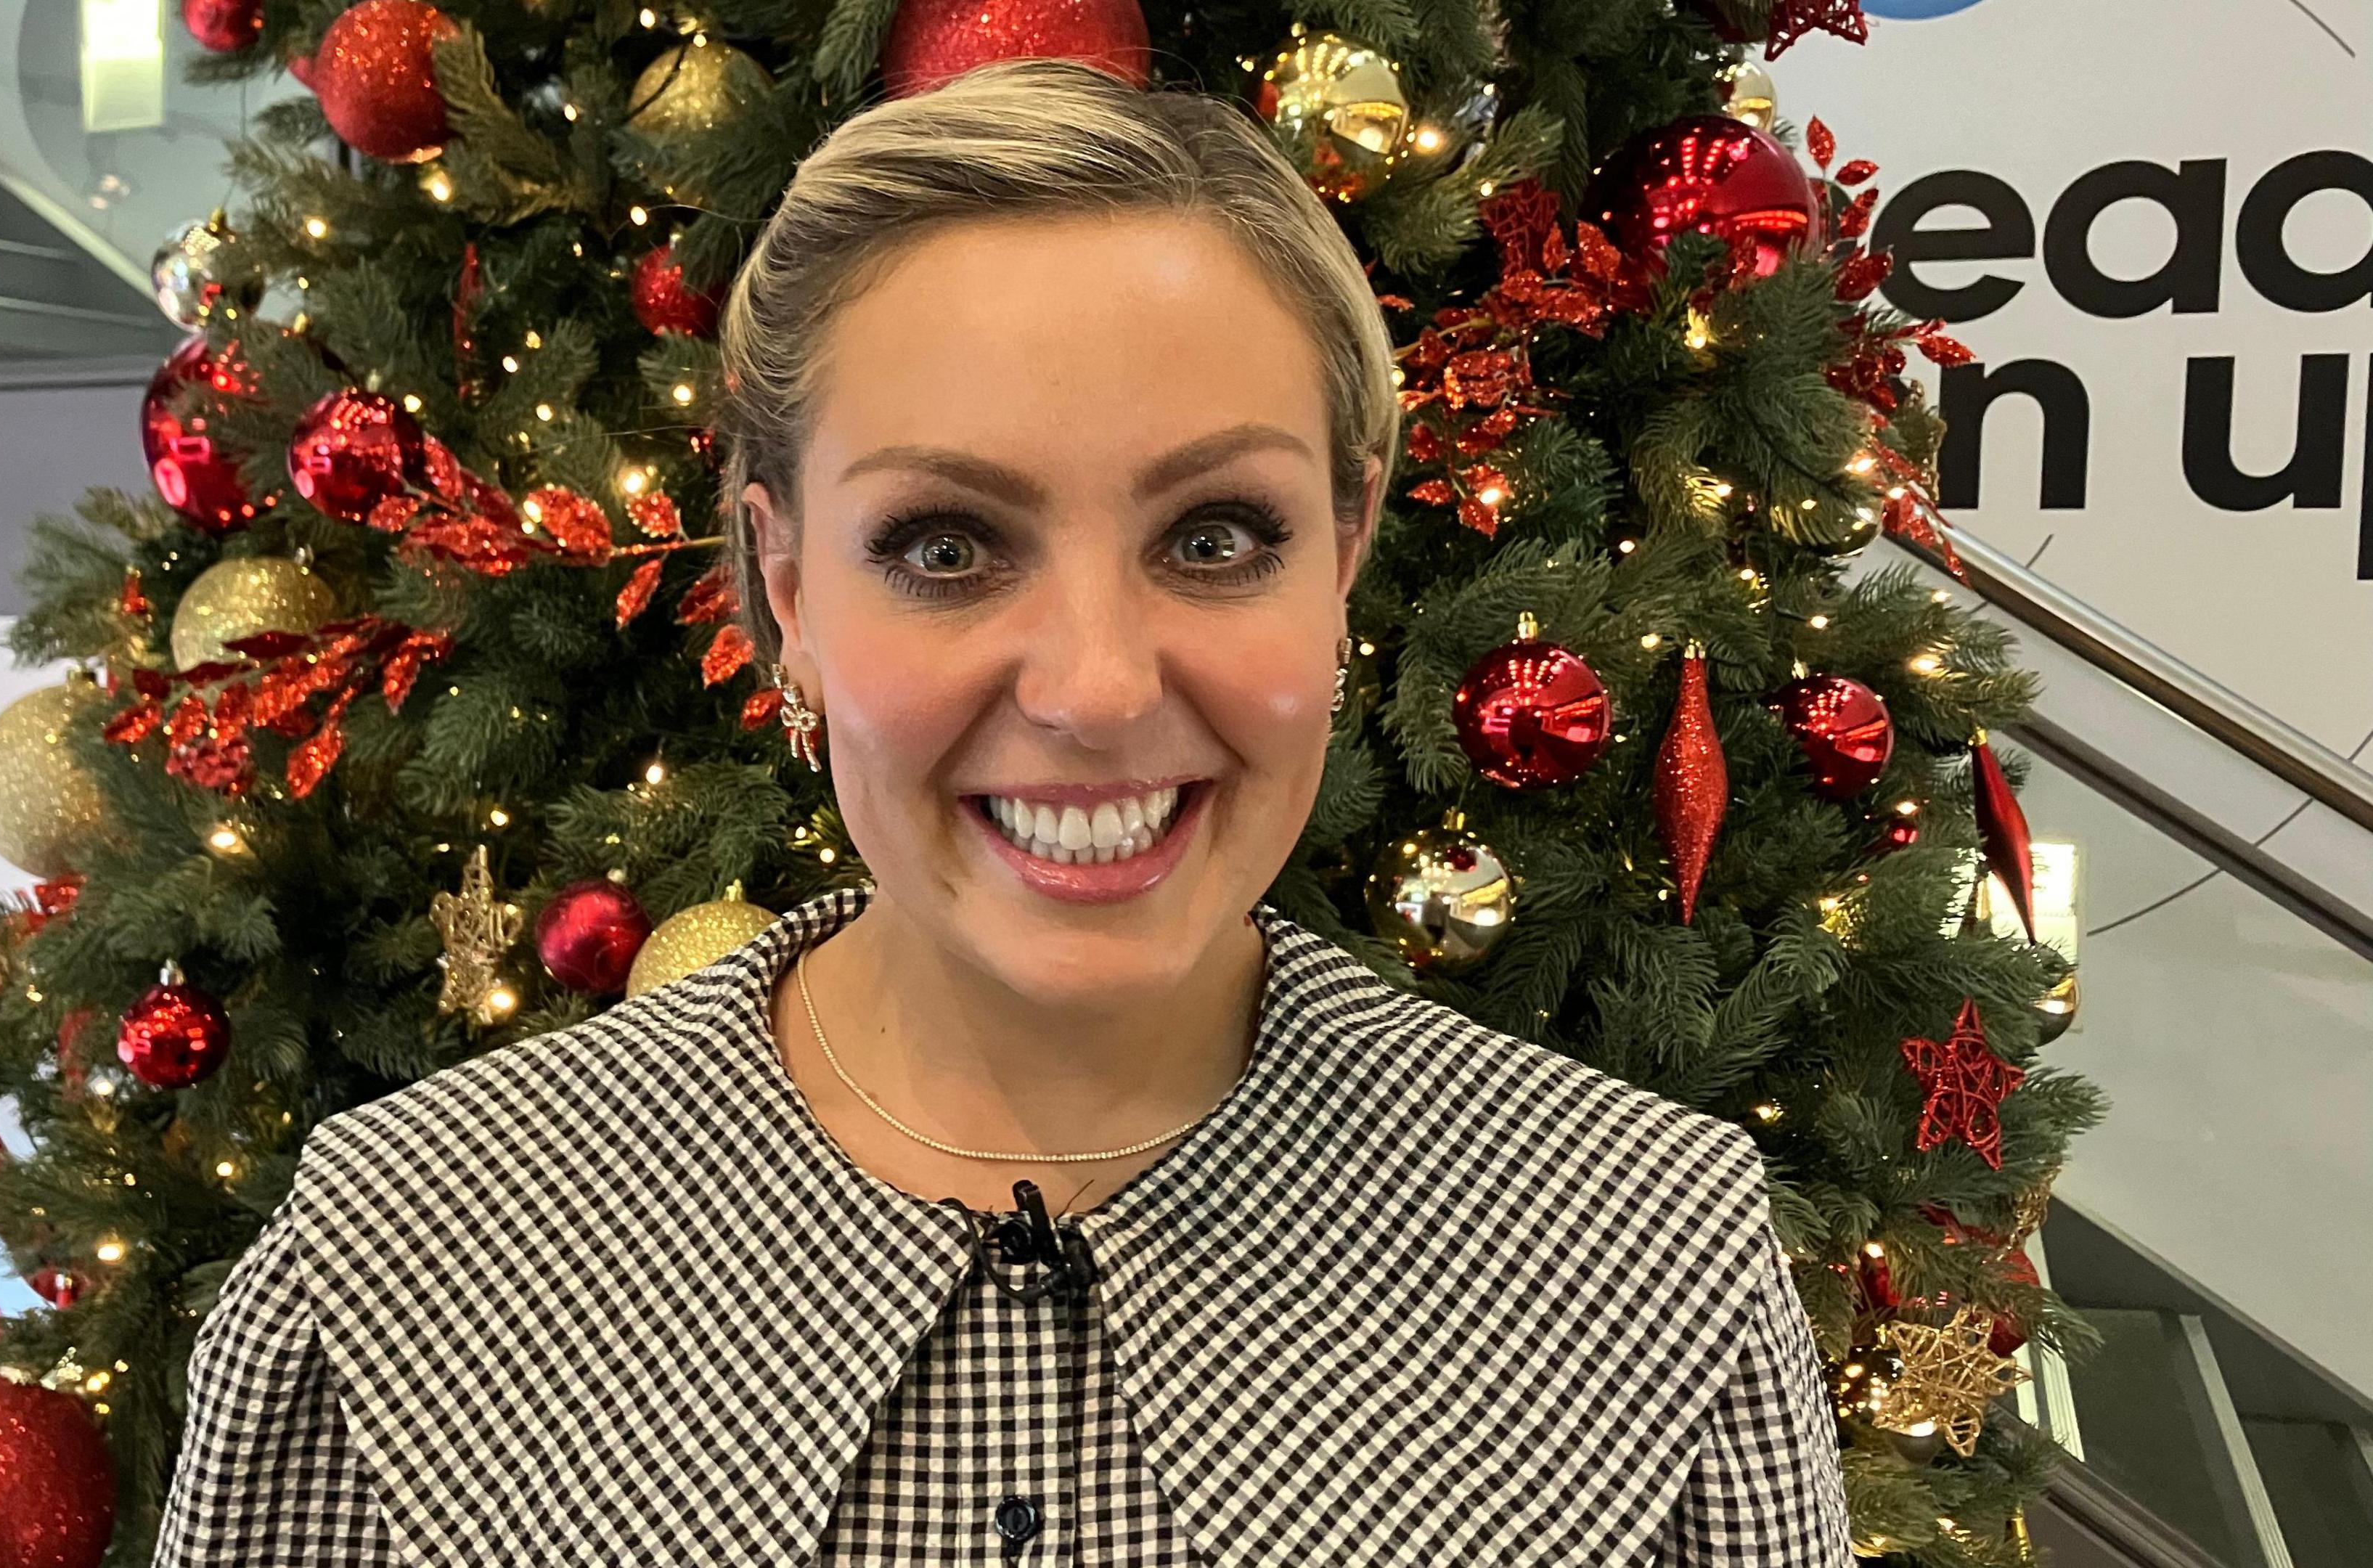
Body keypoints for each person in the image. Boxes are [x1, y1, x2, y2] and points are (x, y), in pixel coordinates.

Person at [152, 57, 1850, 1566]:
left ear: (1340, 567)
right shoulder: (407, 1271)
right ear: (788, 591)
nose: (1097, 688)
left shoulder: (1645, 1264)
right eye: (947, 545)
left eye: (1216, 537)